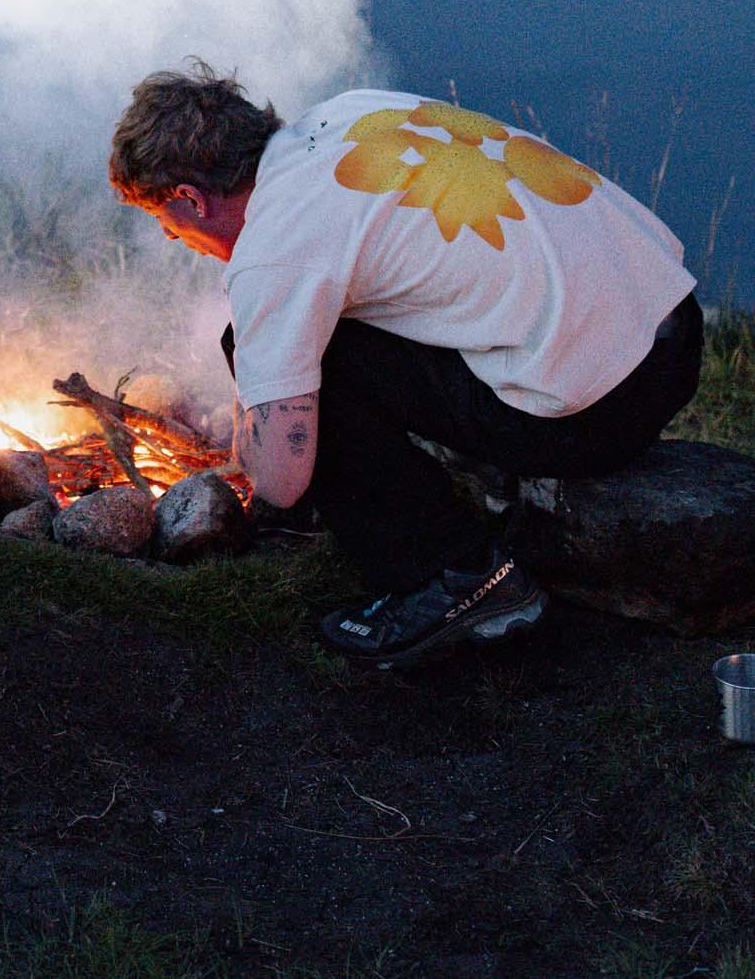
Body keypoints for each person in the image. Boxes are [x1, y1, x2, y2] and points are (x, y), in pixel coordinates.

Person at [108, 63, 702, 671]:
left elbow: (279, 484)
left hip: (605, 408)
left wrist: (256, 427)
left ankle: (455, 577)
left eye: (164, 222)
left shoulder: (275, 251)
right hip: (672, 329)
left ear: (190, 199)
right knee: (332, 330)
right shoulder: (352, 113)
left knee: (301, 356)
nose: (175, 238)